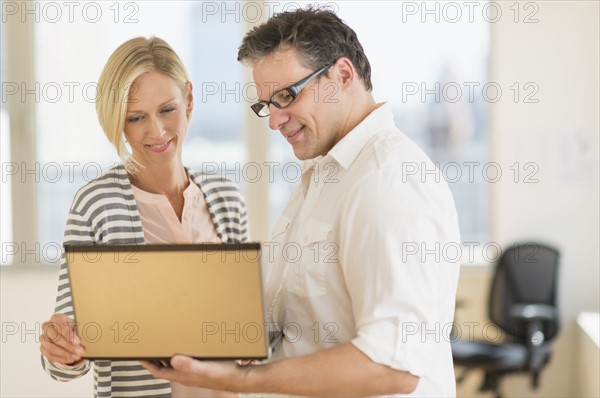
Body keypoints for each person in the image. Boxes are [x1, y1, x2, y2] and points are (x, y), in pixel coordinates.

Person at [143, 7, 461, 397]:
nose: (274, 121)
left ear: (342, 76)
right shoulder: (324, 175)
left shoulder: (388, 179)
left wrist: (239, 381)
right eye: (266, 105)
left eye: (287, 96)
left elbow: (392, 365)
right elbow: (297, 323)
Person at [40, 36, 246, 397]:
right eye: (137, 118)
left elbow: (244, 328)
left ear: (189, 100)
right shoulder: (96, 205)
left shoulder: (226, 198)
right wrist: (63, 349)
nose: (157, 131)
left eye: (167, 109)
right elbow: (67, 353)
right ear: (119, 123)